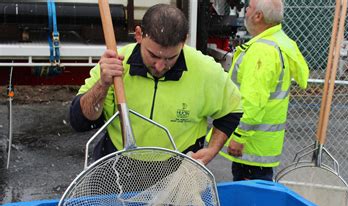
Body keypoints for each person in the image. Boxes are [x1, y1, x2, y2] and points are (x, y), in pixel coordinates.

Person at [70, 4, 242, 165]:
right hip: (117, 164)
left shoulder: (205, 70)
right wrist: (103, 84)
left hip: (177, 169)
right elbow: (80, 121)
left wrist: (212, 149)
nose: (160, 66)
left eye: (169, 58)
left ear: (184, 41)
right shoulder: (115, 63)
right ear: (139, 35)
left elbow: (232, 110)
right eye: (153, 55)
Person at [219, 0, 309, 181]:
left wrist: (239, 136)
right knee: (258, 199)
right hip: (264, 146)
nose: (246, 10)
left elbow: (253, 101)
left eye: (250, 8)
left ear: (258, 16)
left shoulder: (261, 51)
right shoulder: (281, 42)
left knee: (248, 201)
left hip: (251, 146)